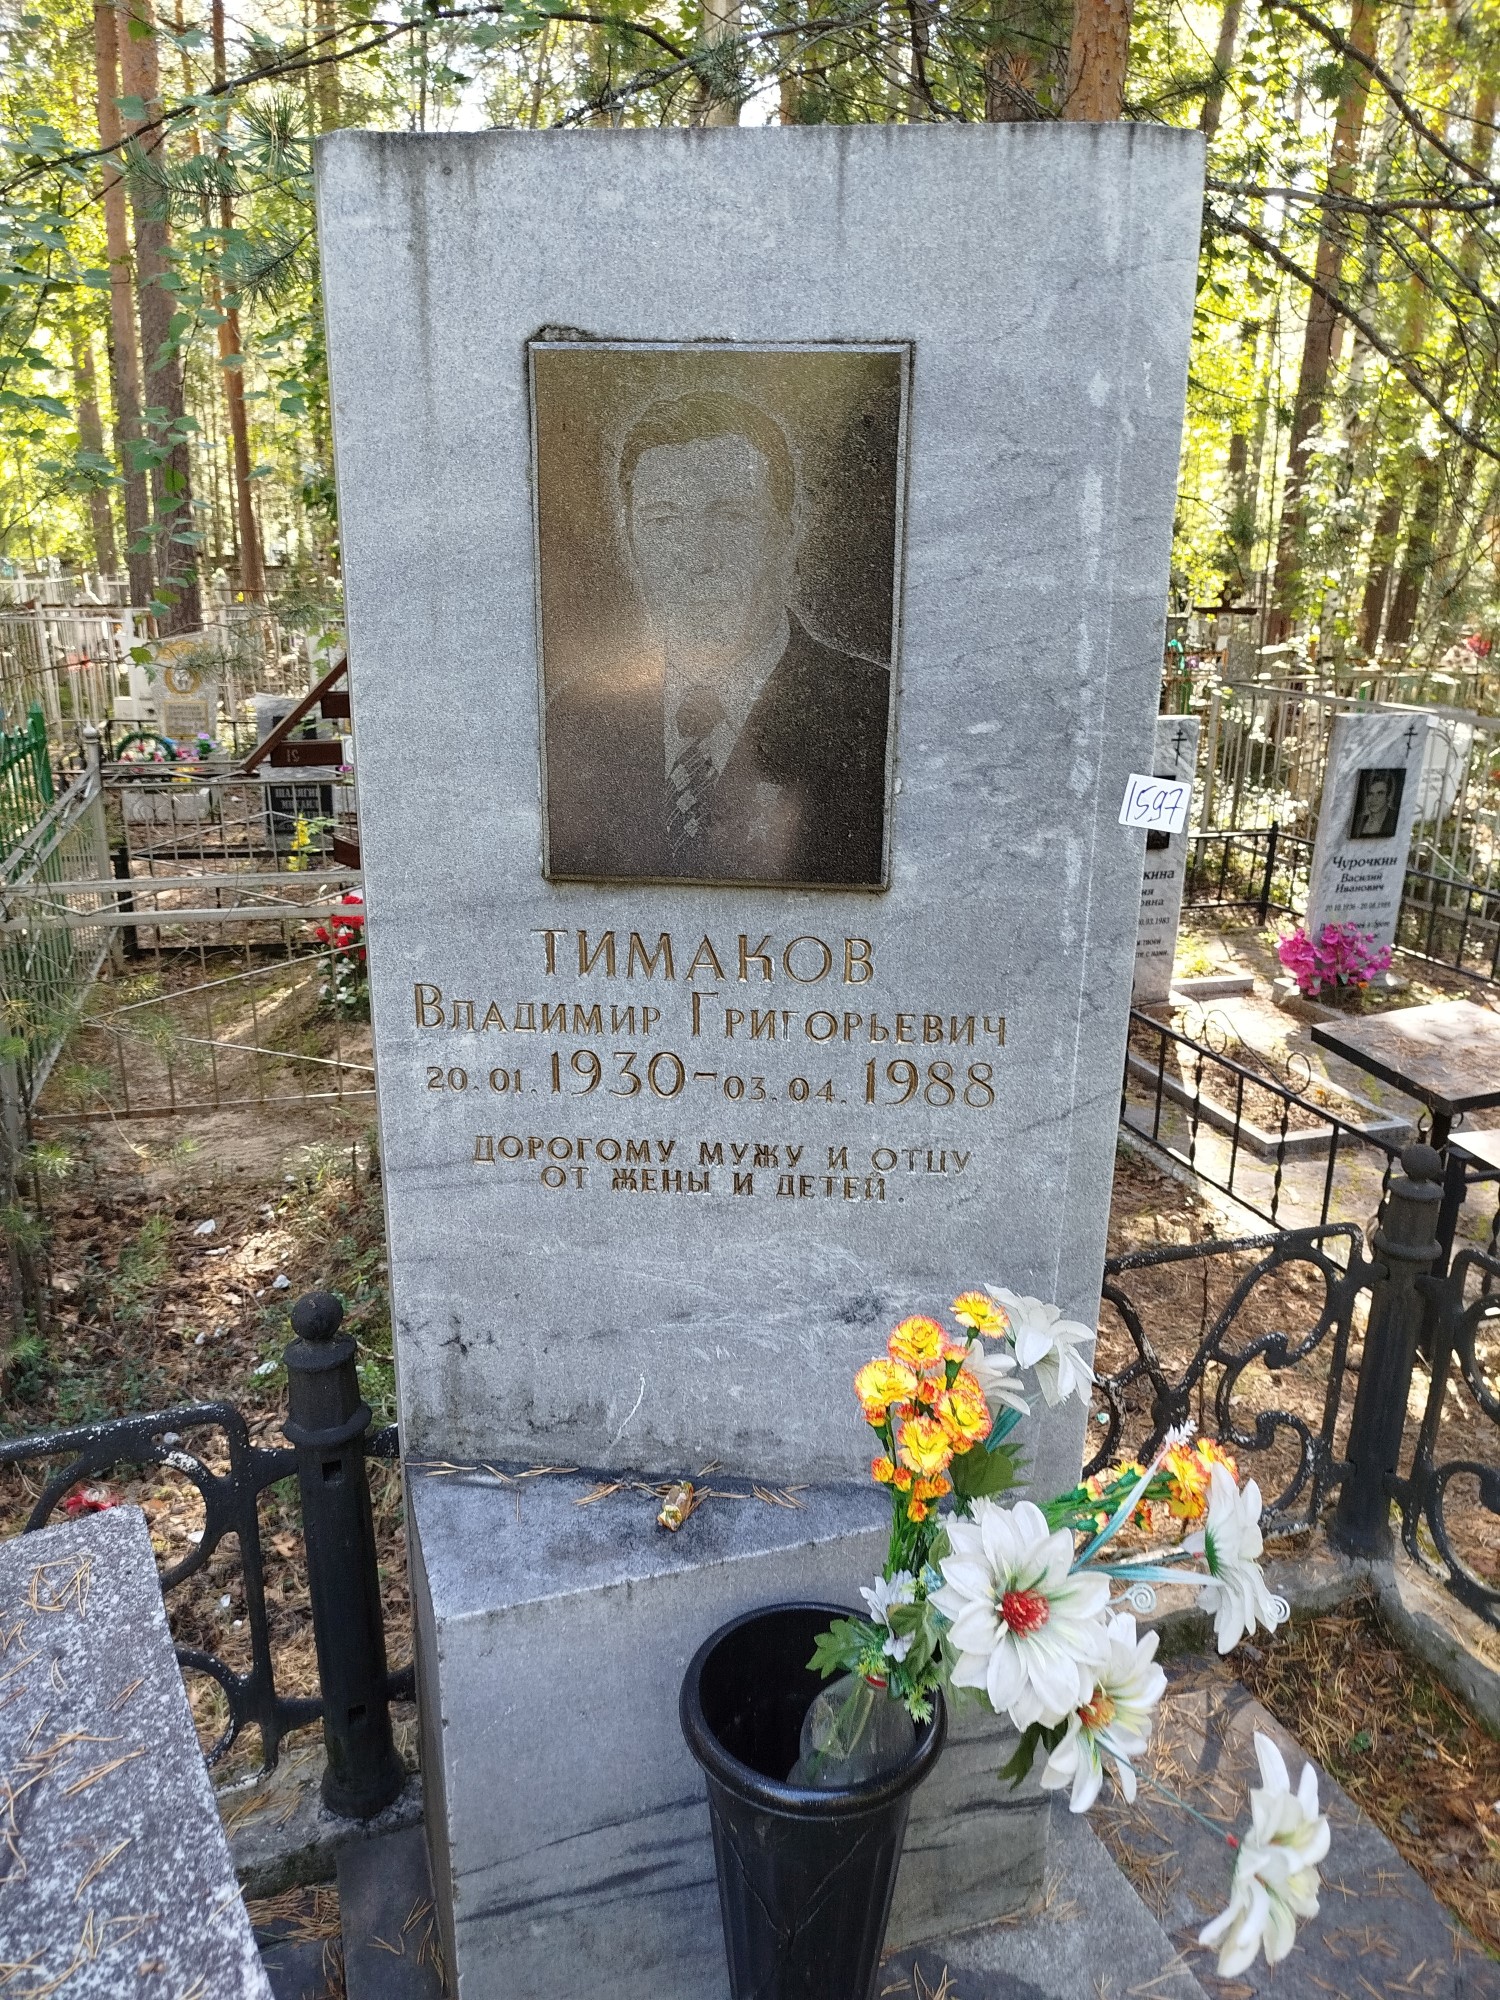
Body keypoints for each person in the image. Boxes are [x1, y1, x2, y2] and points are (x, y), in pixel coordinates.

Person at [542, 391, 891, 887]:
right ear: (630, 540)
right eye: (663, 521)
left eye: (730, 517)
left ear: (788, 532)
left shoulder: (875, 715)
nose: (697, 559)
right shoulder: (576, 722)